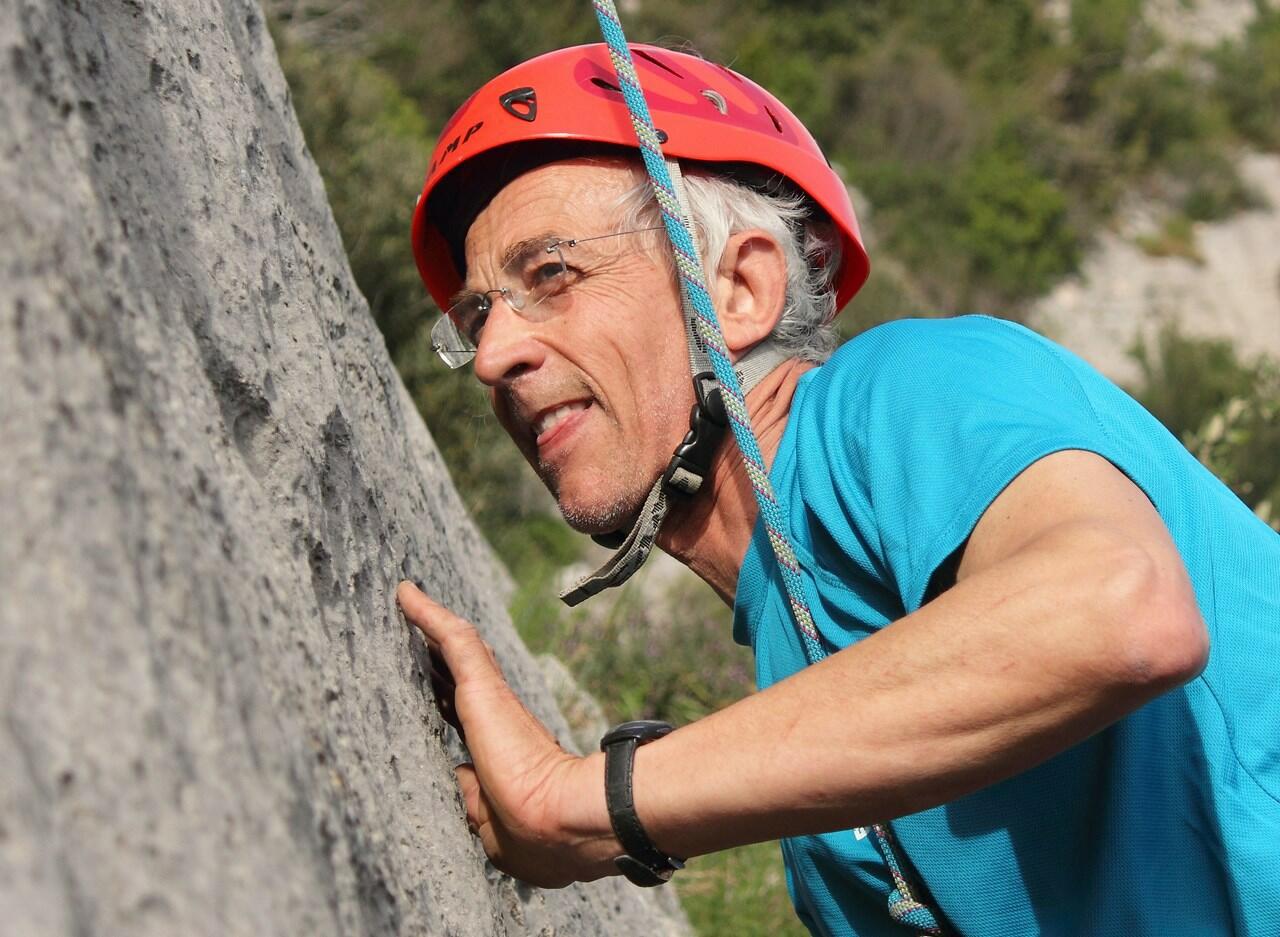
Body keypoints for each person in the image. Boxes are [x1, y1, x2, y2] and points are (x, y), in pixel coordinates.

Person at [396, 42, 1280, 936]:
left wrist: (590, 803)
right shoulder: (822, 830)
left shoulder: (908, 385)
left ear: (739, 288)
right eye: (477, 315)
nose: (493, 356)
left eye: (552, 274)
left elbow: (1118, 606)